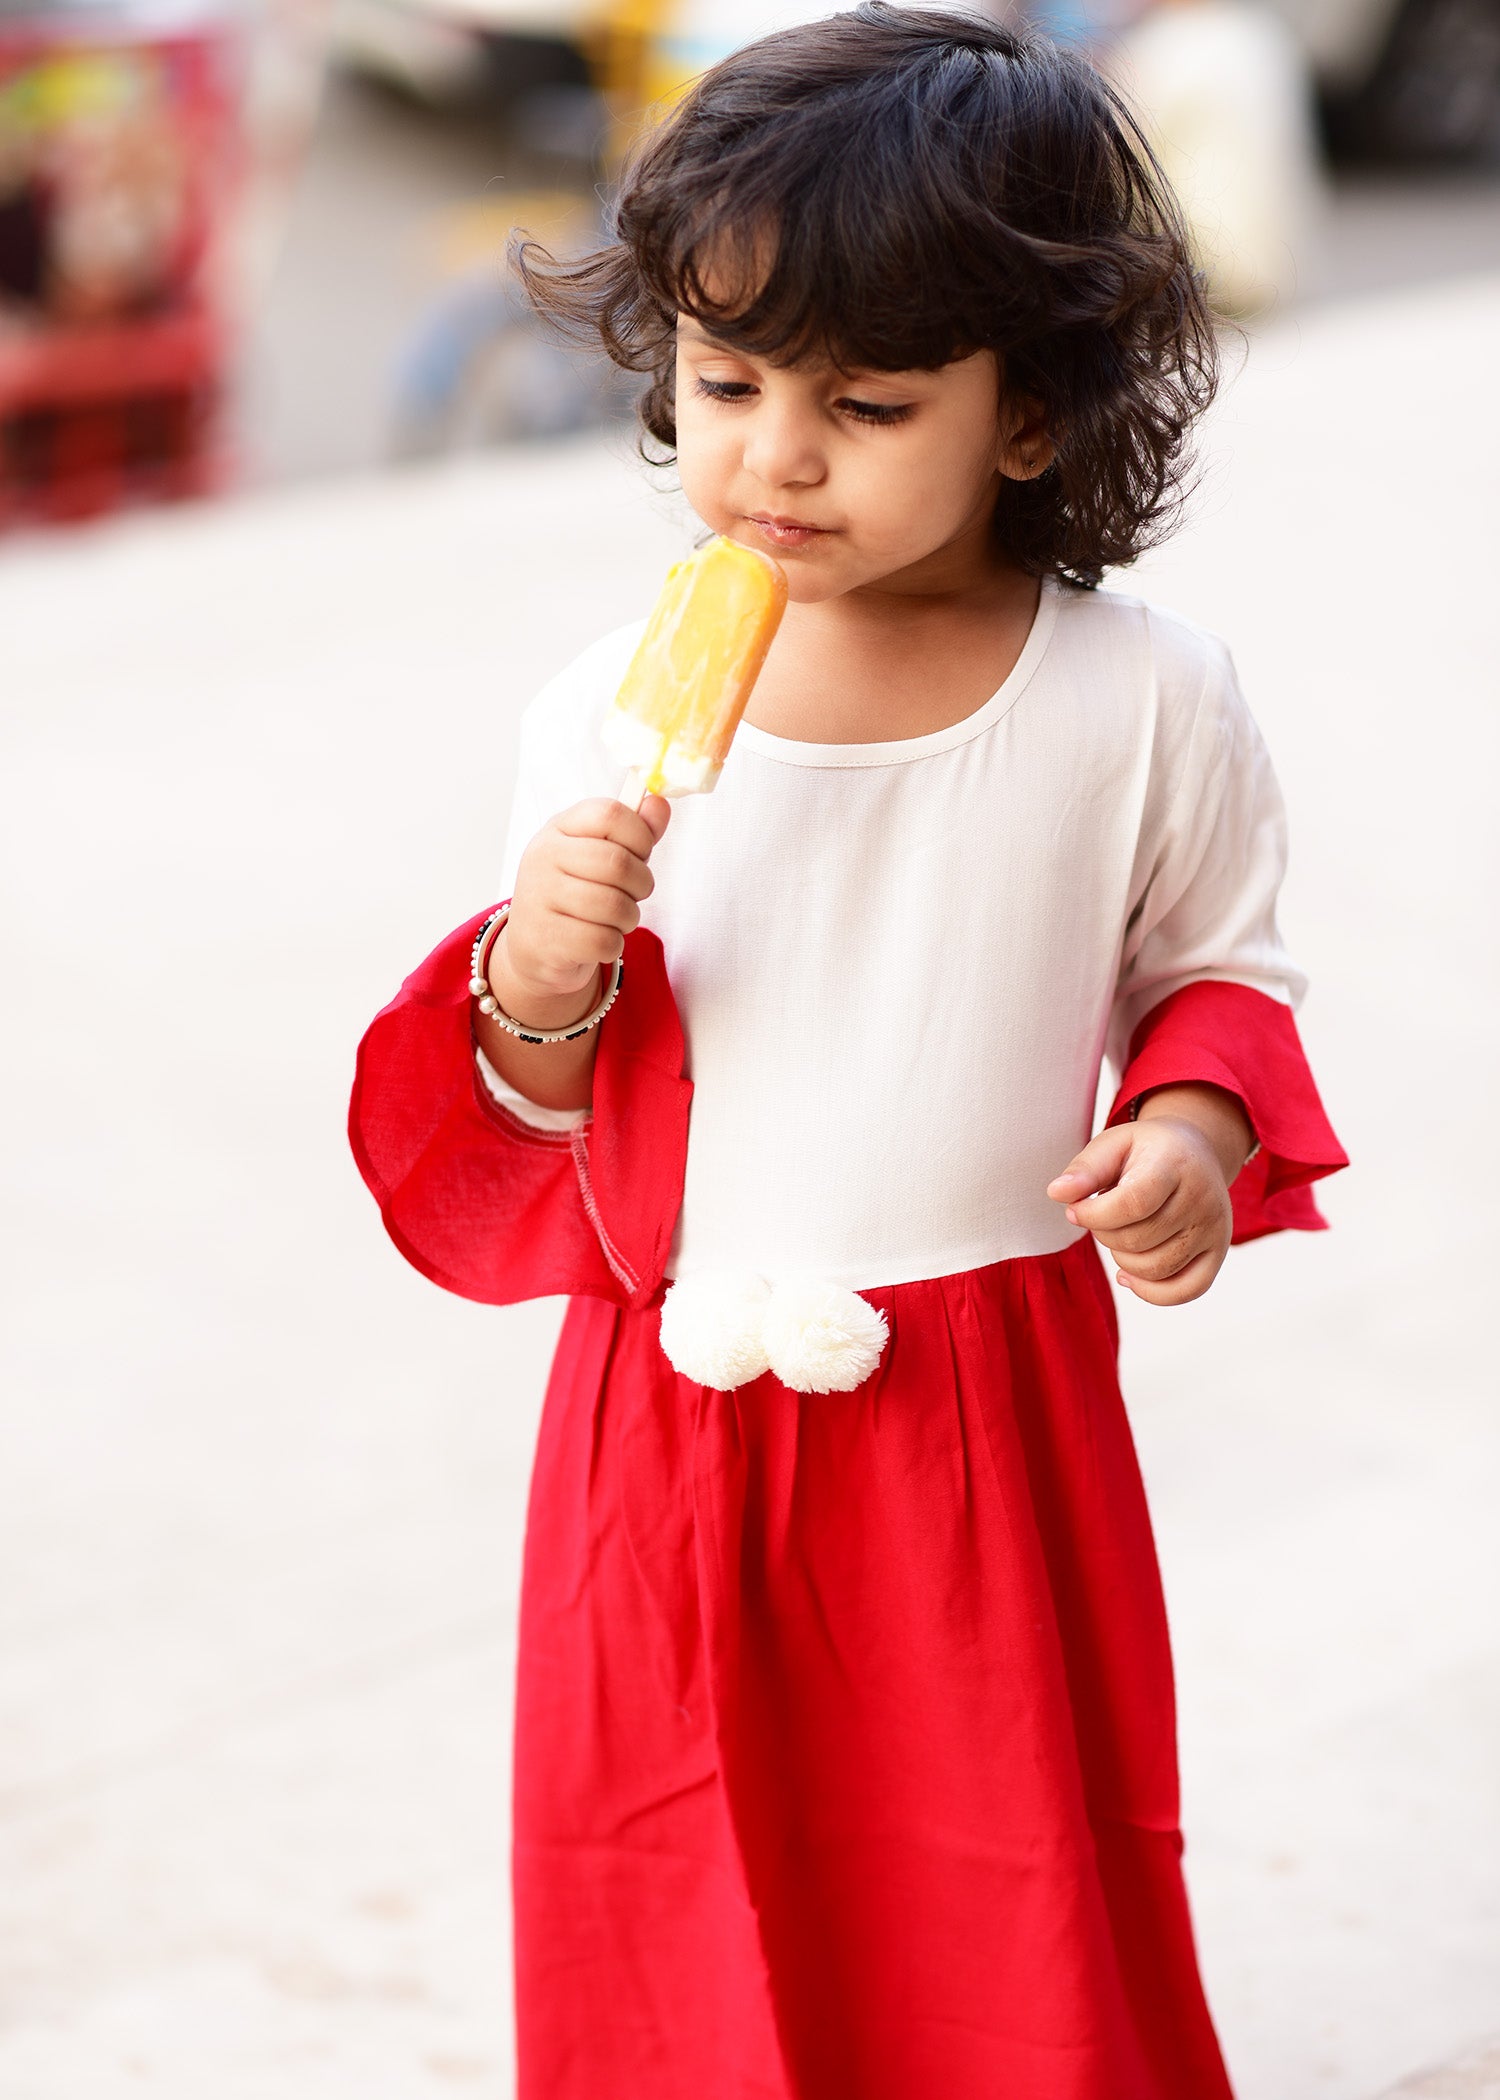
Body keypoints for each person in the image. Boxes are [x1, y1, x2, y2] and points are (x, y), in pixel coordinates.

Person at [348, 8, 1347, 2095]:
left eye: (865, 403)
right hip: (667, 1417)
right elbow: (543, 1094)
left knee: (1008, 1869)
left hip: (984, 1405)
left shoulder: (1142, 700)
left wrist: (1182, 1130)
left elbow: (1221, 973)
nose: (772, 457)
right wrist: (542, 969)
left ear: (1036, 417)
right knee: (667, 1871)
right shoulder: (599, 709)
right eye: (725, 384)